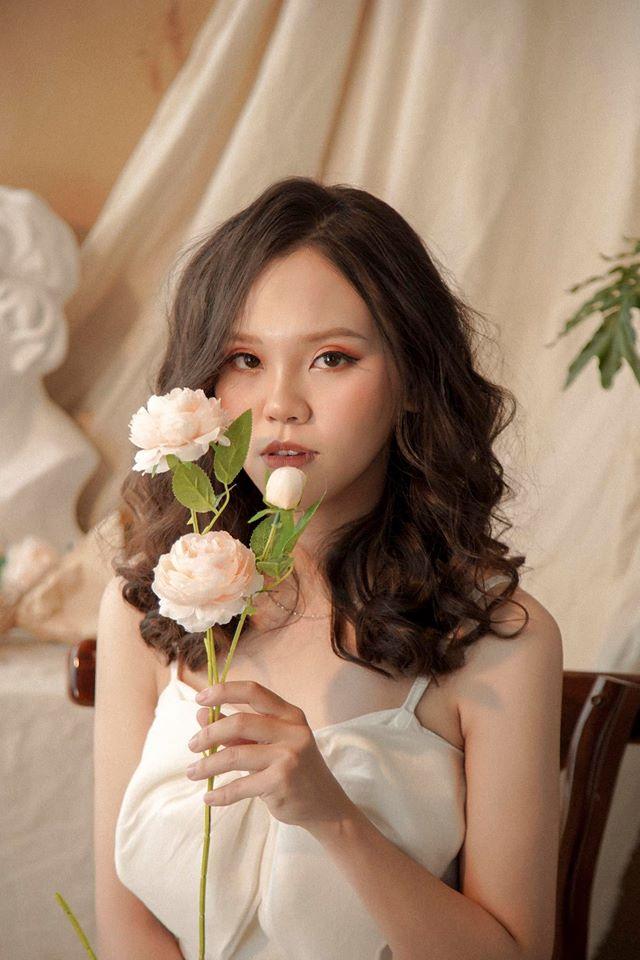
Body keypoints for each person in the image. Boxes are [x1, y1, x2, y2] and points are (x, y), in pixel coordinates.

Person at [93, 176, 563, 960]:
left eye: (331, 358)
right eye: (245, 358)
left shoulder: (496, 638)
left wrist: (331, 815)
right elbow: (126, 927)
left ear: (411, 381)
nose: (282, 403)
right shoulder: (150, 604)